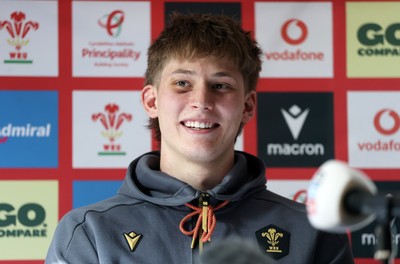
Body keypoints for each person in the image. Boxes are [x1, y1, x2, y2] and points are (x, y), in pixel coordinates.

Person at [45, 13, 354, 263]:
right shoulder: (89, 232)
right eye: (182, 83)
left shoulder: (311, 231)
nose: (202, 101)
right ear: (152, 102)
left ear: (247, 106)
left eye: (221, 86)